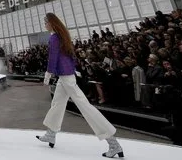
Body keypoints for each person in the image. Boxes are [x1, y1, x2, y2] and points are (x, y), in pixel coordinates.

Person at [36, 13, 123, 158]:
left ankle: (113, 143)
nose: (44, 25)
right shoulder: (62, 35)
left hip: (66, 76)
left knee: (85, 107)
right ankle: (51, 134)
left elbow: (53, 57)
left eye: (45, 22)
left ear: (51, 23)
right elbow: (68, 56)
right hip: (66, 75)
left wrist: (48, 73)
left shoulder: (54, 37)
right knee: (57, 103)